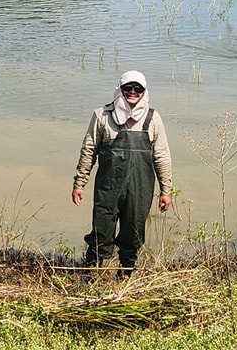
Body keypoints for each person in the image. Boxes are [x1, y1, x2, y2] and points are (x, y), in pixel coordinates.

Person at [72, 70, 174, 273]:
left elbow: (162, 157)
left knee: (133, 234)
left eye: (138, 88)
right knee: (101, 233)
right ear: (120, 89)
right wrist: (79, 184)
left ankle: (126, 275)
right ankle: (91, 275)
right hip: (108, 188)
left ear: (144, 91)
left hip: (140, 189)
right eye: (128, 87)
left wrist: (166, 191)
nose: (133, 92)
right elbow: (88, 151)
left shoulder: (153, 118)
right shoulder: (102, 115)